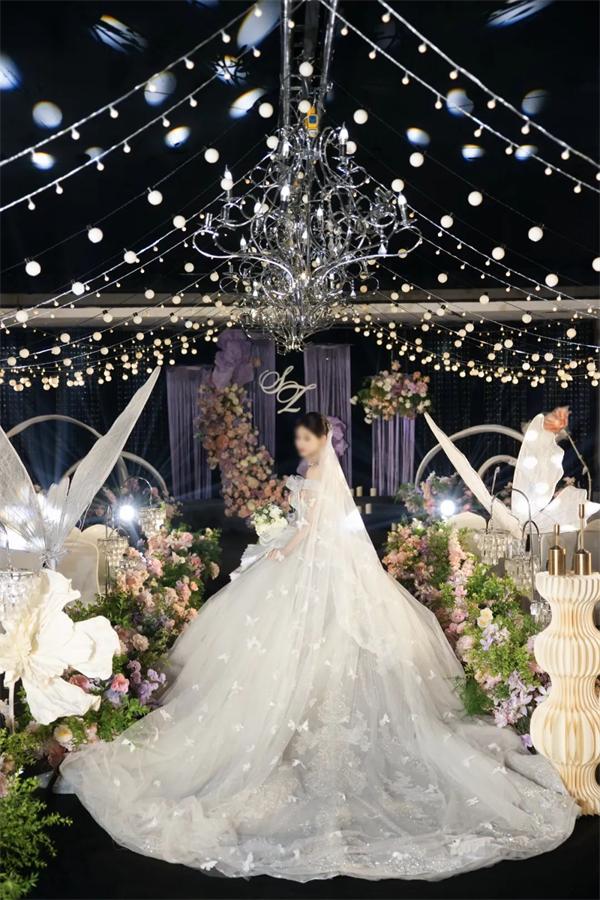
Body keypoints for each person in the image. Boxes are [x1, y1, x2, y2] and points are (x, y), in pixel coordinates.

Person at [60, 412, 578, 881]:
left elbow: (308, 531)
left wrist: (279, 550)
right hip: (331, 568)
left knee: (291, 641)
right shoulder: (324, 475)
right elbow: (332, 529)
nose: (303, 446)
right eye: (302, 440)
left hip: (310, 566)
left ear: (321, 440)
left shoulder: (313, 476)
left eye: (308, 439)